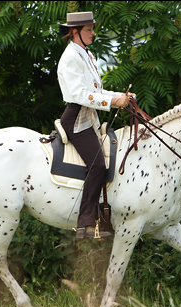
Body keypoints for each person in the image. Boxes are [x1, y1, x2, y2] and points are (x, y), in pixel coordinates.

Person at [57, 12, 135, 240]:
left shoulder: (86, 54)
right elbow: (80, 95)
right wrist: (112, 102)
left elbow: (96, 92)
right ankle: (86, 223)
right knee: (98, 165)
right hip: (76, 120)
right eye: (89, 29)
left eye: (92, 28)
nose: (93, 33)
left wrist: (121, 96)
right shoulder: (71, 57)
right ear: (75, 32)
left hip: (89, 117)